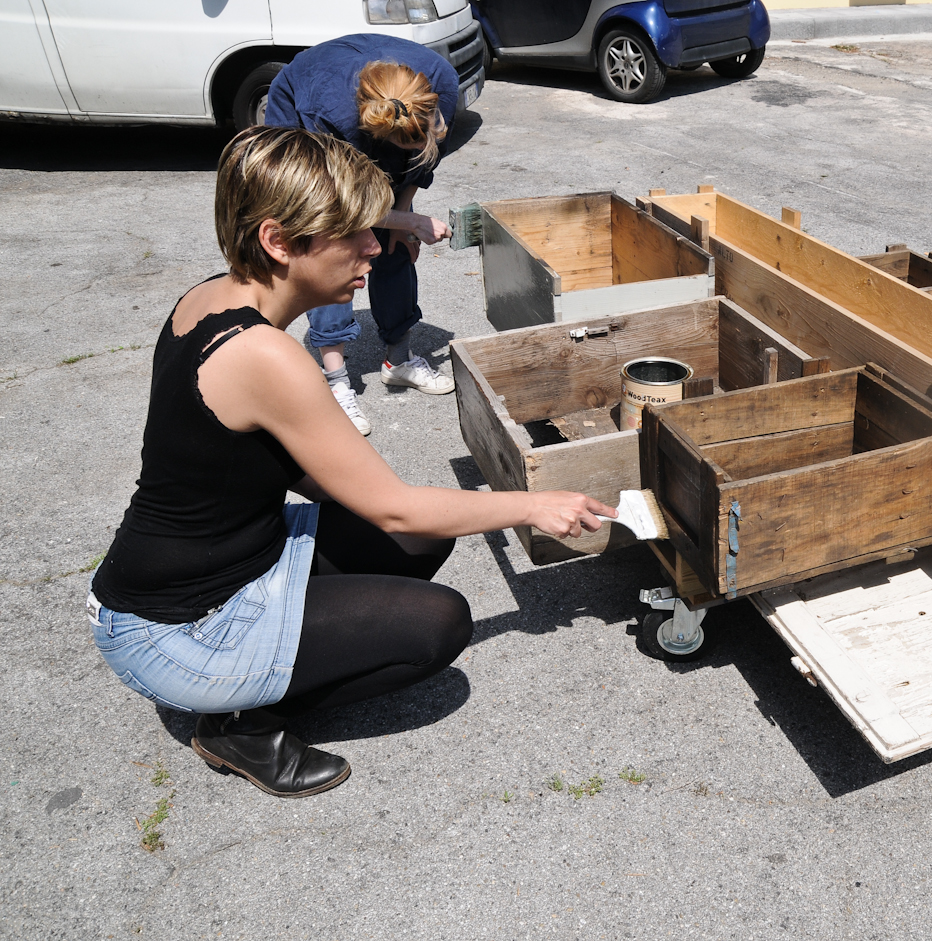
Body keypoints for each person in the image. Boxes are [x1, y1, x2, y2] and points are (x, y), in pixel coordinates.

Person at [87, 127, 614, 799]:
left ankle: (267, 672)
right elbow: (394, 506)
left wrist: (379, 502)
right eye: (352, 232)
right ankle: (241, 727)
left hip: (213, 567)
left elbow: (262, 463)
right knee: (437, 625)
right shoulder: (264, 356)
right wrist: (536, 504)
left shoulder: (213, 296)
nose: (374, 246)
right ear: (279, 241)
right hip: (177, 628)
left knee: (419, 536)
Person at [264, 34, 463, 436]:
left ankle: (399, 360)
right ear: (378, 132)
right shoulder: (328, 114)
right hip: (306, 114)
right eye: (404, 146)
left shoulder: (441, 83)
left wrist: (403, 215)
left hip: (371, 106)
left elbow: (418, 166)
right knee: (330, 250)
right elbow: (338, 203)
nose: (416, 150)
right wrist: (409, 222)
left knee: (393, 245)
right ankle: (336, 382)